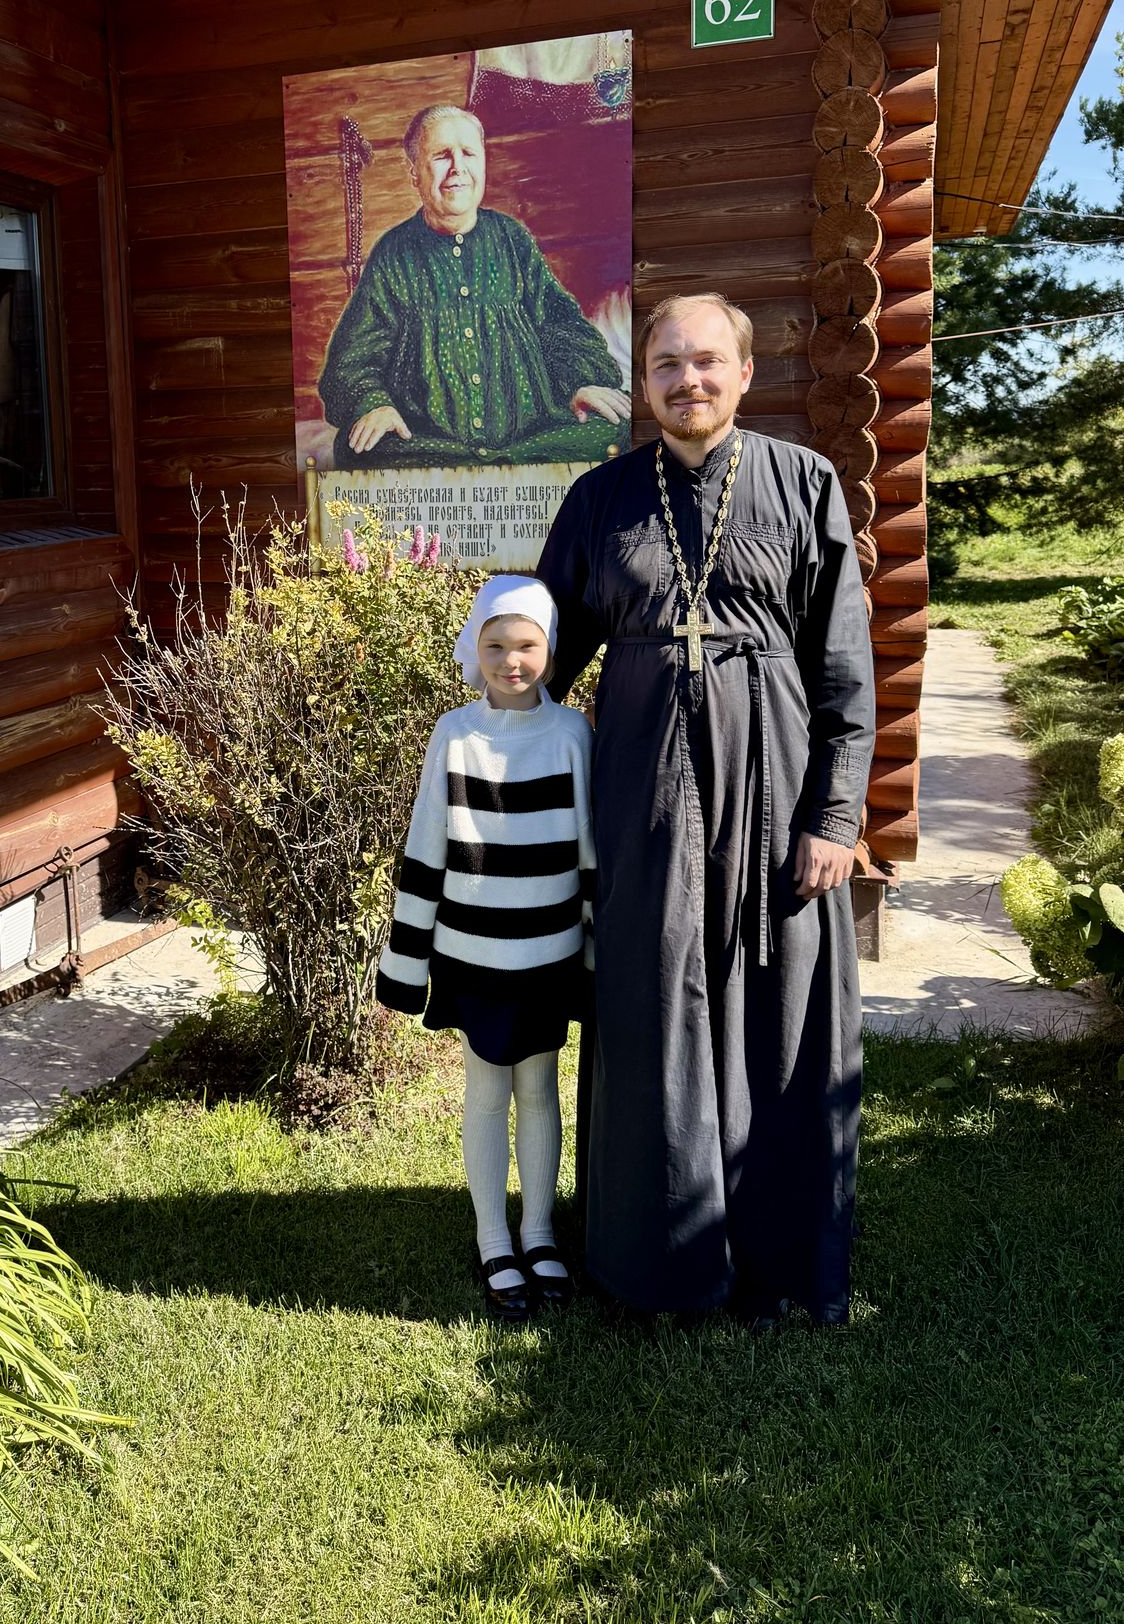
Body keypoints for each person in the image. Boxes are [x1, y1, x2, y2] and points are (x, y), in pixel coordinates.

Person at [536, 292, 875, 1327]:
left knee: (782, 1006)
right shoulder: (600, 500)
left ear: (744, 370)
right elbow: (543, 657)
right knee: (653, 1000)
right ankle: (657, 1261)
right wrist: (487, 741)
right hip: (642, 794)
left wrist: (836, 814)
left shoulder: (804, 483)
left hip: (775, 791)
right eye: (668, 364)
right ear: (644, 383)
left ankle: (782, 1259)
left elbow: (845, 667)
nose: (689, 379)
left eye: (708, 360)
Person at [376, 574, 595, 1321]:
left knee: (540, 1090)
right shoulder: (455, 734)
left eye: (526, 645)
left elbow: (591, 853)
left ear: (550, 650)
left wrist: (595, 956)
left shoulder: (572, 735)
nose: (511, 661)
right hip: (473, 954)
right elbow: (426, 845)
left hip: (548, 953)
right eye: (495, 645)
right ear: (474, 649)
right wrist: (405, 965)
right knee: (486, 1092)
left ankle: (539, 1231)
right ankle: (493, 1236)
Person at [318, 105, 629, 469]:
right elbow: (354, 355)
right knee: (358, 447)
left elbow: (560, 323)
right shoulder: (393, 253)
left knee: (618, 426)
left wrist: (580, 383)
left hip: (530, 433)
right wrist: (375, 405)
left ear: (483, 163)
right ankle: (499, 467)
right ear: (414, 171)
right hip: (430, 442)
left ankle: (500, 462)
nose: (457, 168)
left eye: (468, 153)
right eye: (441, 156)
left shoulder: (511, 238)